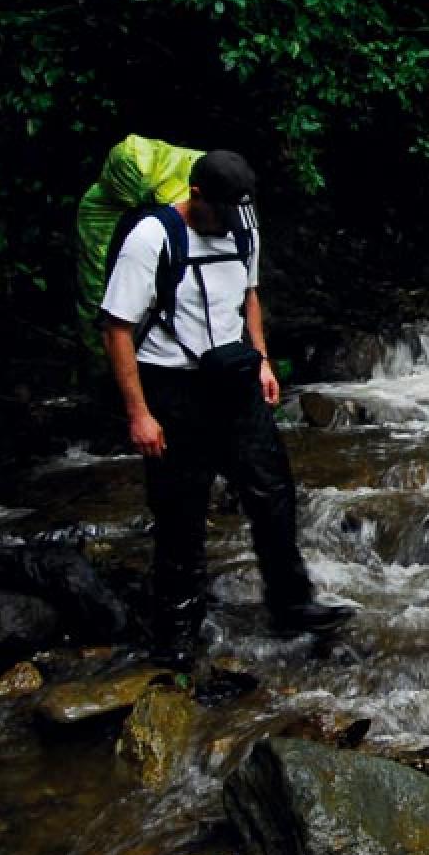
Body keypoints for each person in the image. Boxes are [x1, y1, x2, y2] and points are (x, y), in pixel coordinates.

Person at [99, 149, 353, 665]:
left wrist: (261, 359)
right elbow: (117, 328)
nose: (232, 221)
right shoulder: (152, 238)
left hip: (235, 380)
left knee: (273, 492)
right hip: (173, 386)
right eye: (222, 211)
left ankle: (290, 604)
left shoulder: (242, 222)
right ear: (196, 197)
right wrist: (139, 414)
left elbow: (251, 295)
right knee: (180, 511)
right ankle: (176, 632)